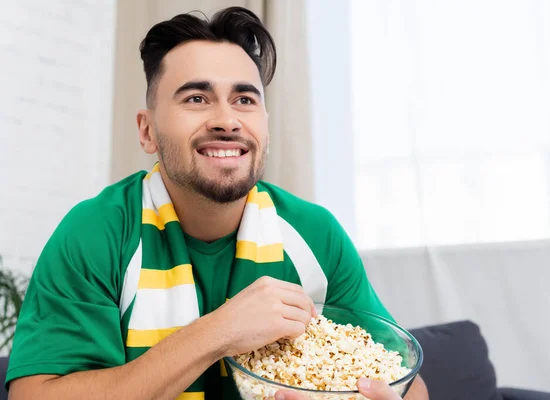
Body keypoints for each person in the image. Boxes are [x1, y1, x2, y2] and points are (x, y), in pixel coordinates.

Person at [6, 7, 428, 400]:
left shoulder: (315, 233)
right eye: (196, 99)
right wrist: (218, 332)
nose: (227, 120)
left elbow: (407, 382)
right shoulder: (97, 232)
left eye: (245, 100)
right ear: (147, 130)